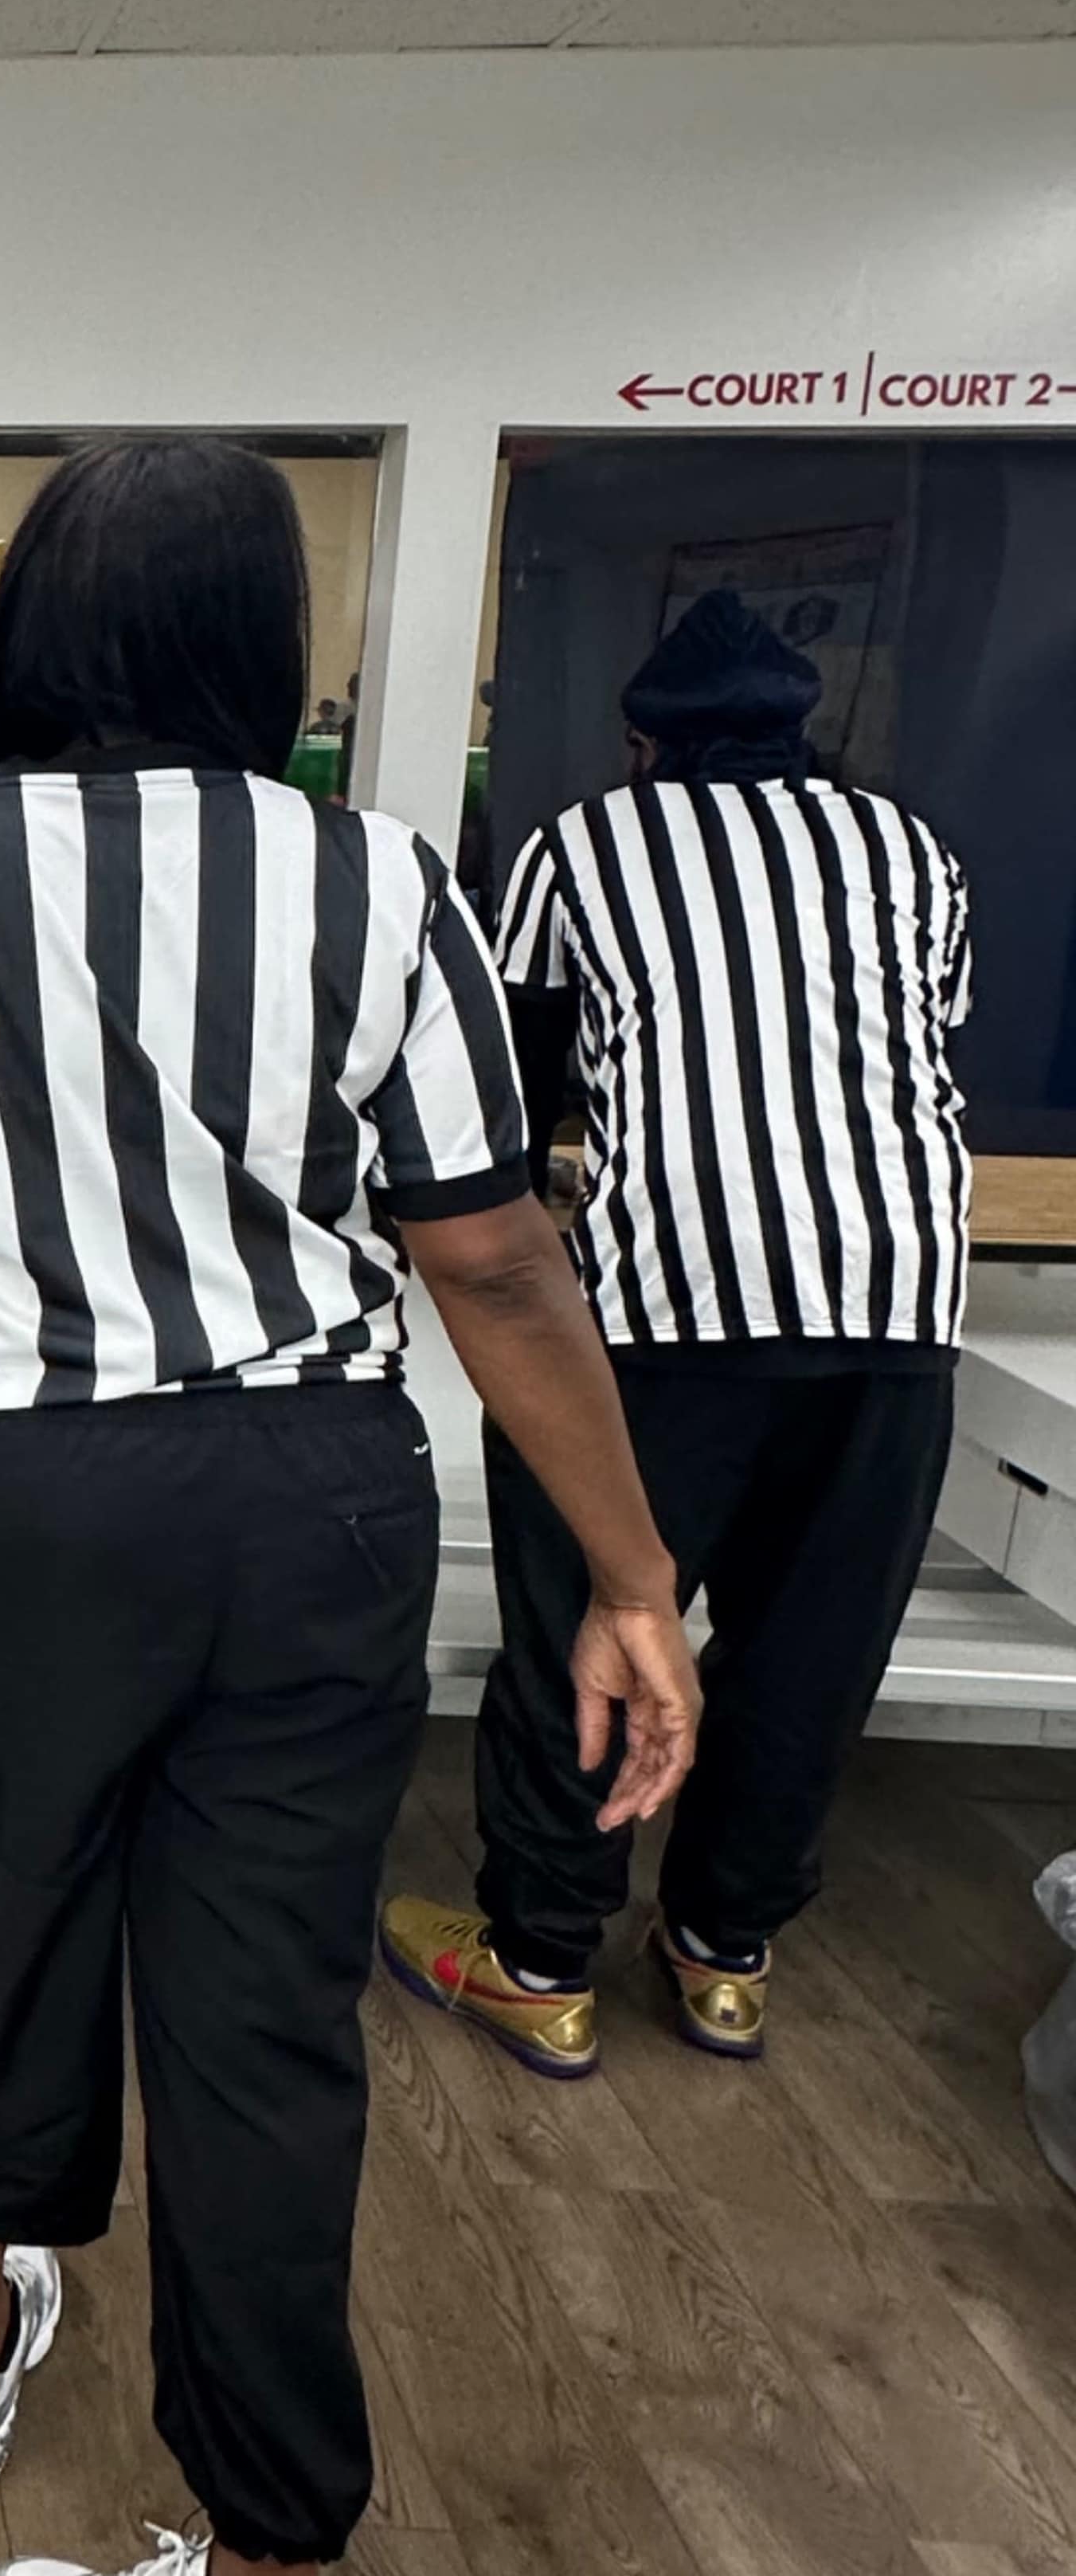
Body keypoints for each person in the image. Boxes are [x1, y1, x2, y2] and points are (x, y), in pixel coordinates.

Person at [0, 437, 698, 2576]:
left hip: (31, 1505)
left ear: (30, 630)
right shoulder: (385, 883)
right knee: (267, 2035)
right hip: (312, 1508)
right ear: (268, 650)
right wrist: (640, 1584)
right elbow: (490, 1258)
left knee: (10, 1905)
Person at [384, 586, 971, 2074]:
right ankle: (723, 1952)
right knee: (808, 1650)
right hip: (896, 1299)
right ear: (804, 732)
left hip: (663, 1311)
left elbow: (506, 1088)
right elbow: (907, 1049)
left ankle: (540, 1961)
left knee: (585, 1626)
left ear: (644, 741)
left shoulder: (580, 846)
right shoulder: (914, 851)